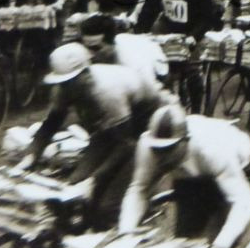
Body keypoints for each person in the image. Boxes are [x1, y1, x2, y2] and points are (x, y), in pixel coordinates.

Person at [116, 106, 250, 248]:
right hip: (193, 177)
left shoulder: (211, 149)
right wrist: (125, 233)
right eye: (158, 149)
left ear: (185, 141)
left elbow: (243, 202)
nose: (162, 157)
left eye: (169, 149)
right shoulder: (148, 147)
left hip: (243, 170)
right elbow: (139, 189)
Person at [22, 42, 179, 231]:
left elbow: (126, 145)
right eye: (63, 83)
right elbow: (51, 124)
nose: (66, 88)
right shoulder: (63, 88)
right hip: (112, 131)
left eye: (71, 81)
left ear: (86, 74)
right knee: (71, 192)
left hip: (149, 130)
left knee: (107, 206)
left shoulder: (107, 92)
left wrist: (94, 180)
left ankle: (121, 234)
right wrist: (30, 157)